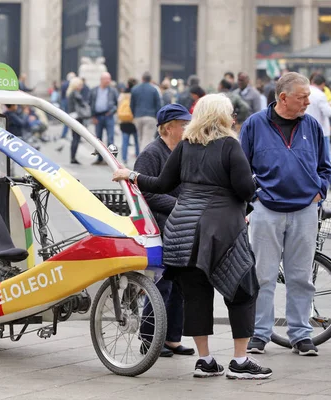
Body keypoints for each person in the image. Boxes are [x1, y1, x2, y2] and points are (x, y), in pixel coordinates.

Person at [113, 94, 272, 380]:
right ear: (222, 116)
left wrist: (131, 175)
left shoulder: (186, 146)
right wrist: (256, 183)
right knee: (243, 291)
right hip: (222, 231)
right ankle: (240, 360)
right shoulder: (230, 147)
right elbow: (245, 190)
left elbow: (162, 183)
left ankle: (206, 360)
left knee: (196, 296)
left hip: (182, 232)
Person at [241, 72, 331, 356]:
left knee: (301, 276)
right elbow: (242, 166)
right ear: (283, 98)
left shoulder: (312, 126)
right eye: (302, 97)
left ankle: (301, 334)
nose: (308, 101)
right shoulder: (255, 124)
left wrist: (320, 191)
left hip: (305, 209)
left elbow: (325, 165)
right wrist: (254, 197)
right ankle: (259, 333)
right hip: (266, 209)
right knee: (263, 274)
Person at [136, 103, 194, 358]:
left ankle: (172, 339)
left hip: (181, 225)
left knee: (180, 284)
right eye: (184, 124)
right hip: (161, 226)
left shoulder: (184, 150)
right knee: (162, 284)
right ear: (168, 128)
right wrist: (179, 206)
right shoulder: (152, 153)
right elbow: (145, 192)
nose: (188, 128)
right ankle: (148, 339)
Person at [89, 72, 119, 164]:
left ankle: (111, 160)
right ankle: (99, 159)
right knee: (98, 139)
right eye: (106, 79)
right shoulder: (94, 90)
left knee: (110, 138)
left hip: (108, 116)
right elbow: (90, 103)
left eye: (109, 79)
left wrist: (112, 111)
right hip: (98, 116)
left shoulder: (113, 90)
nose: (108, 81)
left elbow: (116, 103)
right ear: (101, 80)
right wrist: (93, 116)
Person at [130, 72, 161, 151]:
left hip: (138, 116)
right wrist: (158, 117)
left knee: (140, 138)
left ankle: (141, 155)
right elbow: (158, 105)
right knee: (147, 139)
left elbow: (131, 105)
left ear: (142, 79)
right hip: (150, 117)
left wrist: (134, 115)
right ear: (150, 80)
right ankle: (144, 158)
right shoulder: (154, 90)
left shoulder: (135, 89)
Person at [306, 74, 331, 159]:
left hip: (306, 129)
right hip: (321, 130)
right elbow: (328, 112)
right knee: (325, 157)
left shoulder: (305, 91)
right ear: (323, 84)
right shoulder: (320, 94)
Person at [66, 77, 89, 164]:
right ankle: (73, 158)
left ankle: (72, 157)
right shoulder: (75, 93)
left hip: (72, 116)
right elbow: (82, 102)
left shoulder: (70, 93)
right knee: (76, 138)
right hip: (77, 117)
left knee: (74, 138)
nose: (82, 87)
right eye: (80, 85)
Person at [118, 78, 139, 165]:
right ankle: (138, 156)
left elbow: (118, 105)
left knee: (125, 141)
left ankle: (124, 158)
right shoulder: (137, 94)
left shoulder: (123, 94)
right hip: (134, 119)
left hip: (124, 120)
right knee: (137, 141)